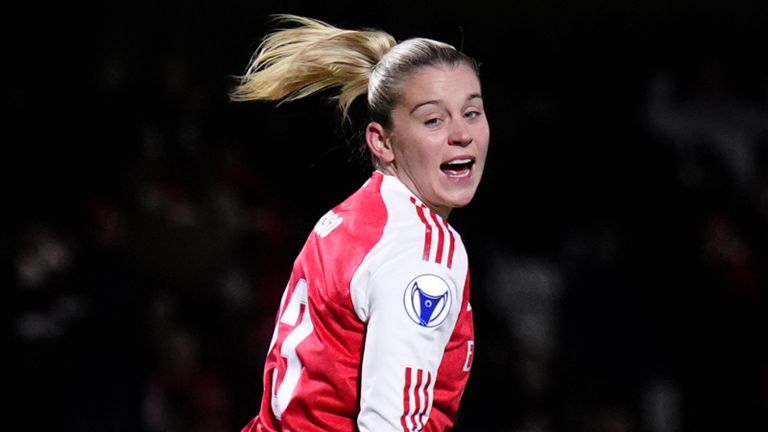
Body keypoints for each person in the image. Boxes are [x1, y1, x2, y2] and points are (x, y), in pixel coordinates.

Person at [229, 14, 490, 432]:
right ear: (382, 142)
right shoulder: (421, 251)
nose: (462, 134)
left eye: (472, 112)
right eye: (433, 120)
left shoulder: (352, 217)